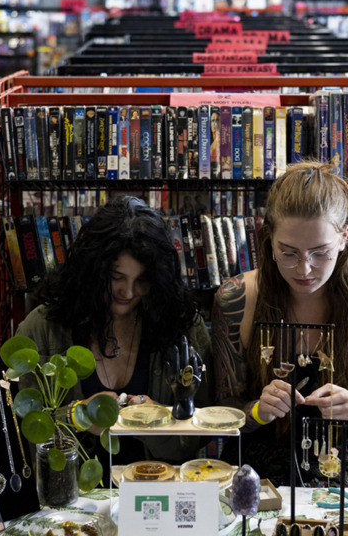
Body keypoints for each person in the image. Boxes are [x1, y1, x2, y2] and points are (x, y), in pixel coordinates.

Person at [212, 161, 348, 486]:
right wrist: (259, 410)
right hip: (258, 481)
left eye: (320, 252)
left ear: (343, 237)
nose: (304, 268)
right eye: (288, 253)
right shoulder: (237, 300)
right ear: (270, 239)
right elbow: (218, 416)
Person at [15, 196, 212, 472]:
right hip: (73, 503)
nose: (128, 292)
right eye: (116, 277)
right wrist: (77, 415)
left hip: (160, 499)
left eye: (141, 280)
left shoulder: (181, 326)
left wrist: (160, 419)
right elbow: (23, 435)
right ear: (92, 269)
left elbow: (202, 434)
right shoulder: (43, 328)